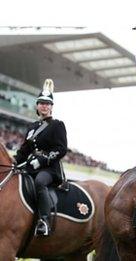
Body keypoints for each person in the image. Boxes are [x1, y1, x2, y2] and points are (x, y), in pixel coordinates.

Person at [13, 79, 67, 236]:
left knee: (39, 182)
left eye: (47, 103)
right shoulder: (32, 127)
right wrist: (13, 163)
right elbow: (24, 150)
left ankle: (44, 221)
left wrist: (42, 160)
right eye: (41, 103)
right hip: (31, 166)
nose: (44, 106)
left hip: (50, 169)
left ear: (51, 107)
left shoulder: (57, 125)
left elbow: (61, 149)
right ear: (37, 106)